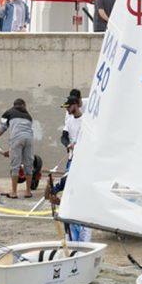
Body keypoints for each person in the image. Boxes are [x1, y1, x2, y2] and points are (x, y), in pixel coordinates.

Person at [46, 95, 91, 241]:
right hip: (72, 158)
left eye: (69, 107)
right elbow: (63, 137)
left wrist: (79, 145)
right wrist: (68, 145)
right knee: (66, 181)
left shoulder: (87, 120)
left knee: (75, 183)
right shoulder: (70, 121)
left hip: (83, 160)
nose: (67, 110)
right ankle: (56, 194)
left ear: (76, 105)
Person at [0, 98, 35, 198]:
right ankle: (28, 191)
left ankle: (14, 192)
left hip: (16, 138)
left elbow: (3, 127)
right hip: (29, 139)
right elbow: (23, 133)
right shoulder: (28, 116)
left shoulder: (8, 113)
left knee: (15, 165)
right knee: (28, 165)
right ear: (23, 105)